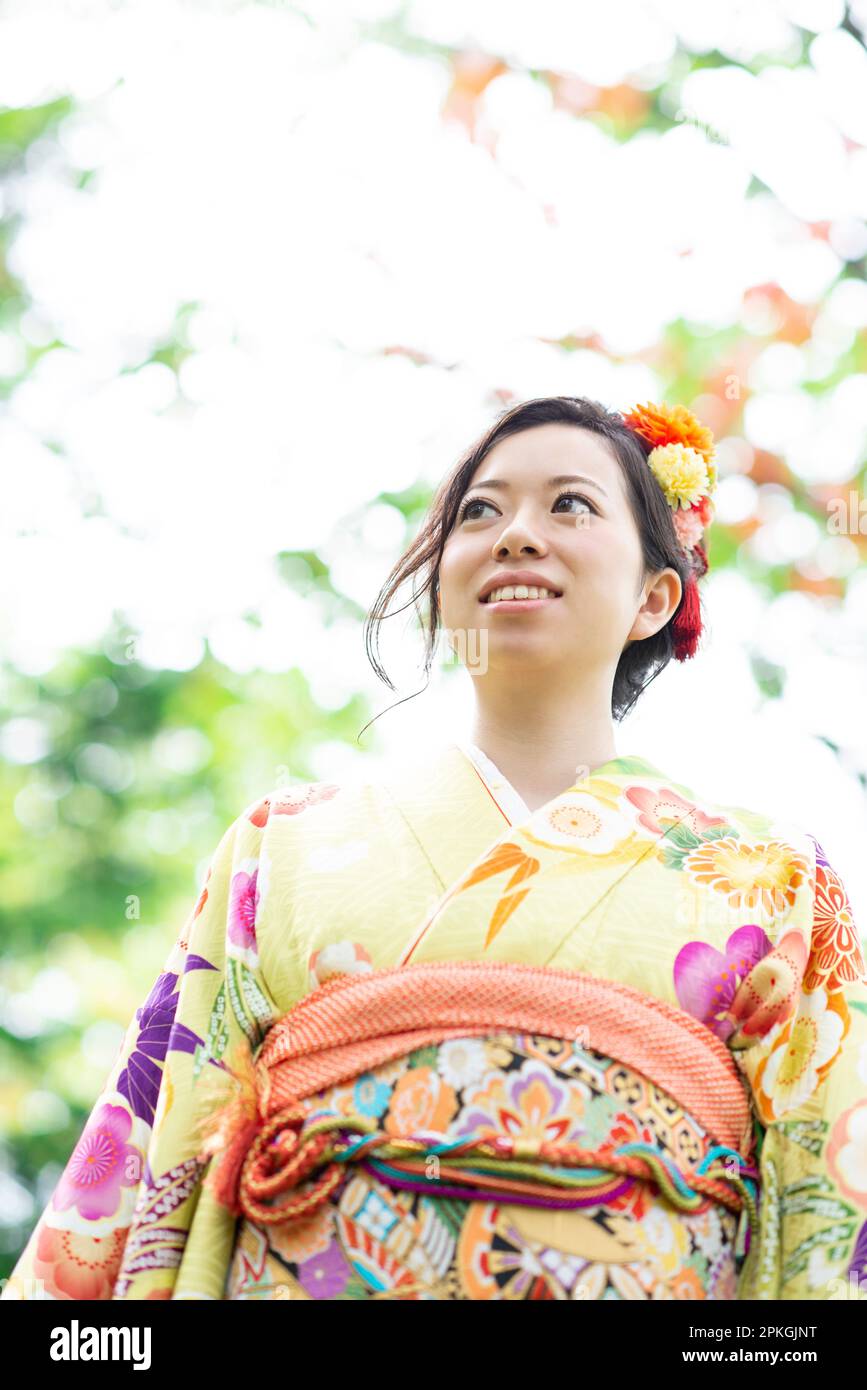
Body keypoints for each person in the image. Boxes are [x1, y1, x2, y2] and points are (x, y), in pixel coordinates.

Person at [4, 395, 866, 1302]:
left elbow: (834, 1204)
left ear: (655, 597)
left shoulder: (771, 876)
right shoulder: (282, 845)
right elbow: (154, 1143)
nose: (517, 535)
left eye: (570, 504)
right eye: (479, 512)